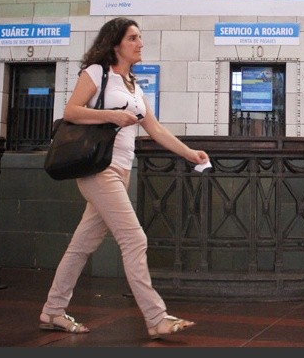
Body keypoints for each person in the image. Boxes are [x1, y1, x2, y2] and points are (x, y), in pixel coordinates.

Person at [38, 17, 209, 339]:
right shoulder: (96, 74)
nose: (140, 43)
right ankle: (156, 318)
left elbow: (154, 128)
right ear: (116, 43)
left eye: (140, 38)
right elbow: (71, 111)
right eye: (133, 38)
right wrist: (111, 116)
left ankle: (53, 311)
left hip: (121, 170)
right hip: (97, 169)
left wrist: (189, 153)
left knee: (81, 246)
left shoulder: (133, 85)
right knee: (135, 239)